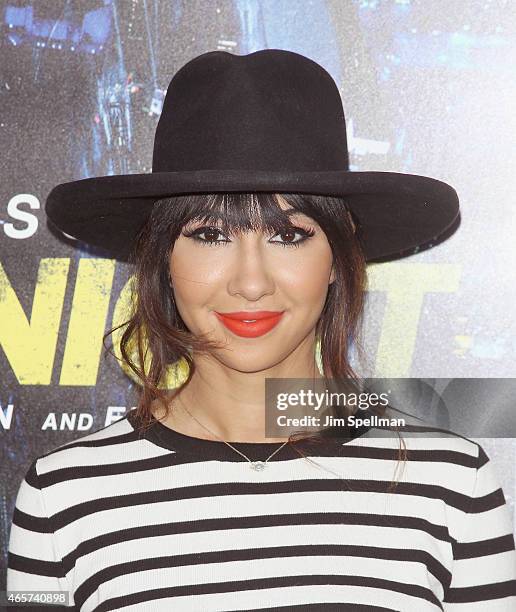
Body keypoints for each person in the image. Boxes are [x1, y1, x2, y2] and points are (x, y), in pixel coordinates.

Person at [7, 49, 515, 611]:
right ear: (163, 259)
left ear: (339, 258)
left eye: (289, 236)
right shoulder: (64, 492)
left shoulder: (449, 481)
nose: (251, 283)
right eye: (211, 235)